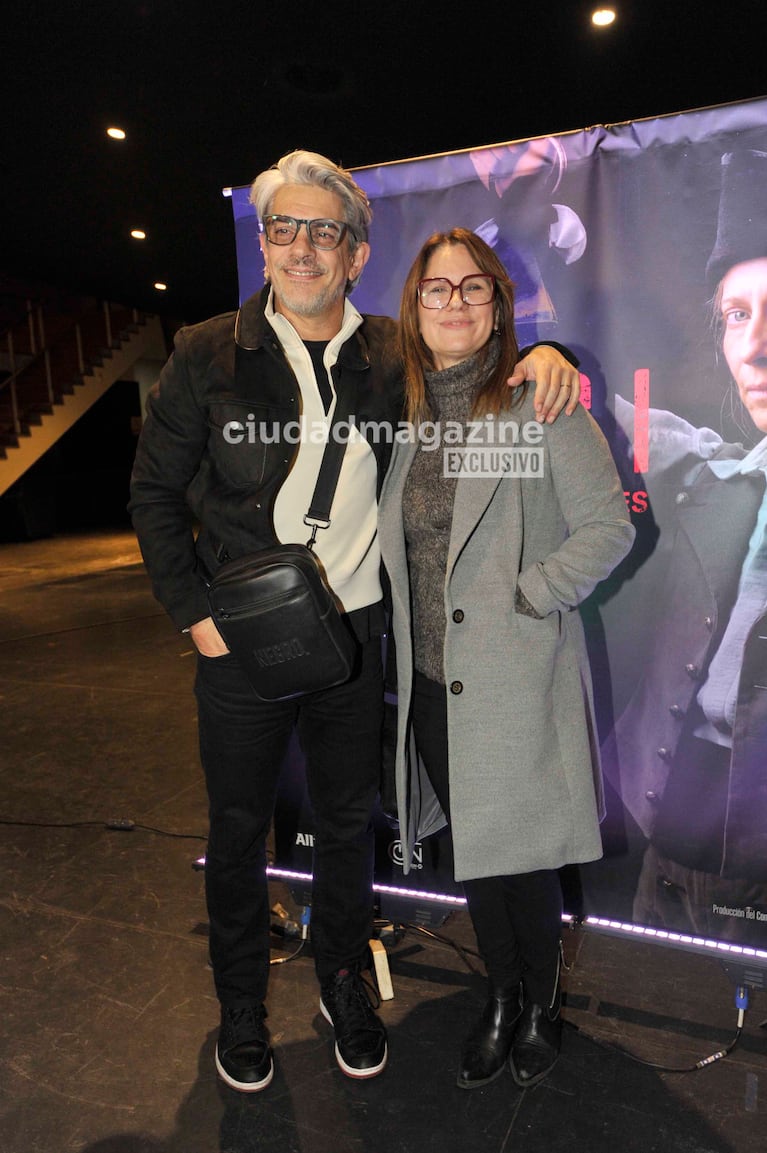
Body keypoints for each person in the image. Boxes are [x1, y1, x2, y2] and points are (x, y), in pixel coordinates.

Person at [128, 149, 581, 1093]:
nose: (301, 249)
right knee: (240, 825)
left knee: (344, 826)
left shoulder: (389, 356)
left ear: (356, 253)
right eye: (283, 229)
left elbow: (481, 374)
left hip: (355, 637)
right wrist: (193, 616)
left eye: (322, 232)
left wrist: (553, 355)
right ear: (264, 244)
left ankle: (345, 984)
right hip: (238, 640)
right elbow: (153, 496)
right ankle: (242, 1008)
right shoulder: (206, 352)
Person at [377, 228, 634, 1090]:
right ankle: (499, 991)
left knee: (522, 862)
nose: (453, 302)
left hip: (514, 677)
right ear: (414, 308)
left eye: (472, 287)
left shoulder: (537, 405)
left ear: (499, 306)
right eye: (435, 289)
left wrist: (531, 592)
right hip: (431, 681)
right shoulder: (408, 415)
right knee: (476, 859)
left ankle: (536, 1005)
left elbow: (609, 526)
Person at [603, 148, 767, 941]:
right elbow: (611, 416)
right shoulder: (721, 474)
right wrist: (553, 360)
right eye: (736, 313)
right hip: (676, 835)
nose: (754, 346)